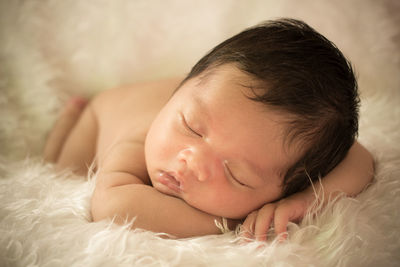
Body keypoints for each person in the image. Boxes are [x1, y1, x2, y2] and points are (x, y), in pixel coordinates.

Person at [43, 18, 374, 241]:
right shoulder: (142, 138)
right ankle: (68, 122)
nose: (191, 161)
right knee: (58, 171)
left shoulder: (274, 144)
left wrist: (304, 201)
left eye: (236, 174)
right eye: (191, 127)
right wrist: (231, 225)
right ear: (183, 87)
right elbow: (112, 205)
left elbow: (358, 158)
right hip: (99, 119)